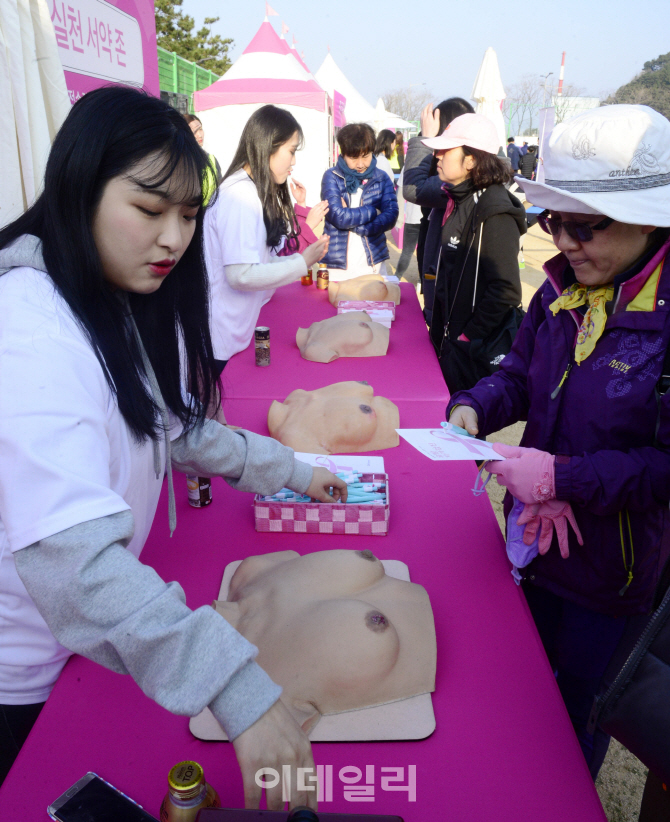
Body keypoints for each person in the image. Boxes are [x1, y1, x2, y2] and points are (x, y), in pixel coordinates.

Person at [0, 87, 348, 808]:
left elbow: (170, 426)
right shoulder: (30, 333)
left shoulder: (96, 298)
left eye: (189, 216)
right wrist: (232, 683)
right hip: (24, 673)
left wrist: (290, 470)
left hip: (82, 647)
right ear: (80, 186)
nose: (173, 239)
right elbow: (77, 562)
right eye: (149, 210)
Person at [448, 104, 670, 781]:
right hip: (533, 544)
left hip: (614, 576)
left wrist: (561, 479)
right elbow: (517, 376)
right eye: (553, 221)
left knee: (572, 725)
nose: (564, 242)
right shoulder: (558, 294)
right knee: (515, 689)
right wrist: (470, 410)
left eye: (584, 224)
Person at [203, 105, 329, 374]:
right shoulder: (240, 196)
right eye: (291, 151)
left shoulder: (249, 191)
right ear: (269, 145)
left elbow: (261, 260)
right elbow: (241, 275)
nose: (293, 162)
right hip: (219, 338)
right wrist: (301, 263)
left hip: (228, 334)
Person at [406, 110, 525, 392]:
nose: (437, 156)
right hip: (449, 341)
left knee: (464, 425)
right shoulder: (458, 198)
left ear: (471, 159)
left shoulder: (493, 209)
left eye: (446, 150)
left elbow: (506, 290)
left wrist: (467, 336)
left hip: (469, 350)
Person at [403, 97, 474, 320]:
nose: (437, 153)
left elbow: (414, 189)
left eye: (442, 146)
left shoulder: (462, 179)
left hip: (450, 303)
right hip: (442, 285)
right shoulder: (466, 175)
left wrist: (425, 139)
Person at [320, 123, 398, 282]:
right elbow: (338, 216)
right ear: (343, 154)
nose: (361, 164)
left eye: (366, 156)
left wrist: (363, 226)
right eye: (354, 157)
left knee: (373, 304)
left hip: (372, 261)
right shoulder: (332, 176)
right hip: (339, 265)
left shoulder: (381, 177)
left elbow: (391, 215)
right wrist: (373, 212)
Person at [183, 113, 221, 205]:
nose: (200, 135)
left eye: (200, 129)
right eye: (194, 132)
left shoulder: (211, 160)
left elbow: (219, 190)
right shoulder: (182, 162)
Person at [395, 165, 422, 280]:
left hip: (413, 217)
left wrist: (399, 218)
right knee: (425, 252)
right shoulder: (435, 162)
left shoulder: (409, 165)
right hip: (428, 218)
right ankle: (422, 281)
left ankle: (397, 277)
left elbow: (400, 192)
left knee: (407, 251)